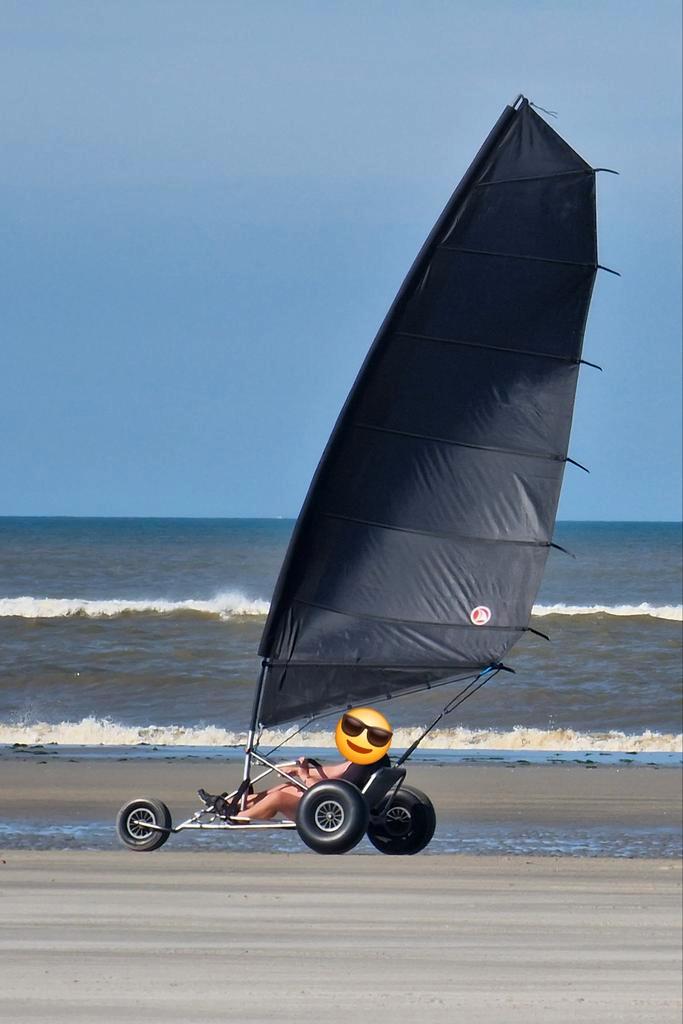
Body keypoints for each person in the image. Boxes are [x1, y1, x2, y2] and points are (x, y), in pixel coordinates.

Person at [199, 755, 387, 822]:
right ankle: (234, 804)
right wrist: (298, 770)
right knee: (286, 786)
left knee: (278, 797)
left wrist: (305, 776)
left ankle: (238, 817)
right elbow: (331, 772)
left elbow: (329, 790)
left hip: (330, 808)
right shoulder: (374, 760)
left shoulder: (363, 764)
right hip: (335, 800)